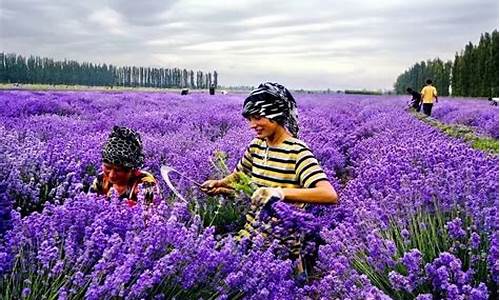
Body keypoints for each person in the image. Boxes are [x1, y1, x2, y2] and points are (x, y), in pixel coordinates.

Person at [201, 82, 338, 260]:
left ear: (276, 115)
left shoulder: (297, 151)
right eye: (250, 119)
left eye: (258, 118)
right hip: (250, 234)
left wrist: (279, 193)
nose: (252, 125)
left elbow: (329, 194)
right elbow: (238, 176)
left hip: (281, 244)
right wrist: (219, 185)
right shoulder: (257, 146)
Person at [89, 126, 159, 206]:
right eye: (108, 167)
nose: (111, 175)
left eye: (118, 170)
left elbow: (149, 213)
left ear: (132, 169)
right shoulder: (101, 180)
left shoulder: (146, 182)